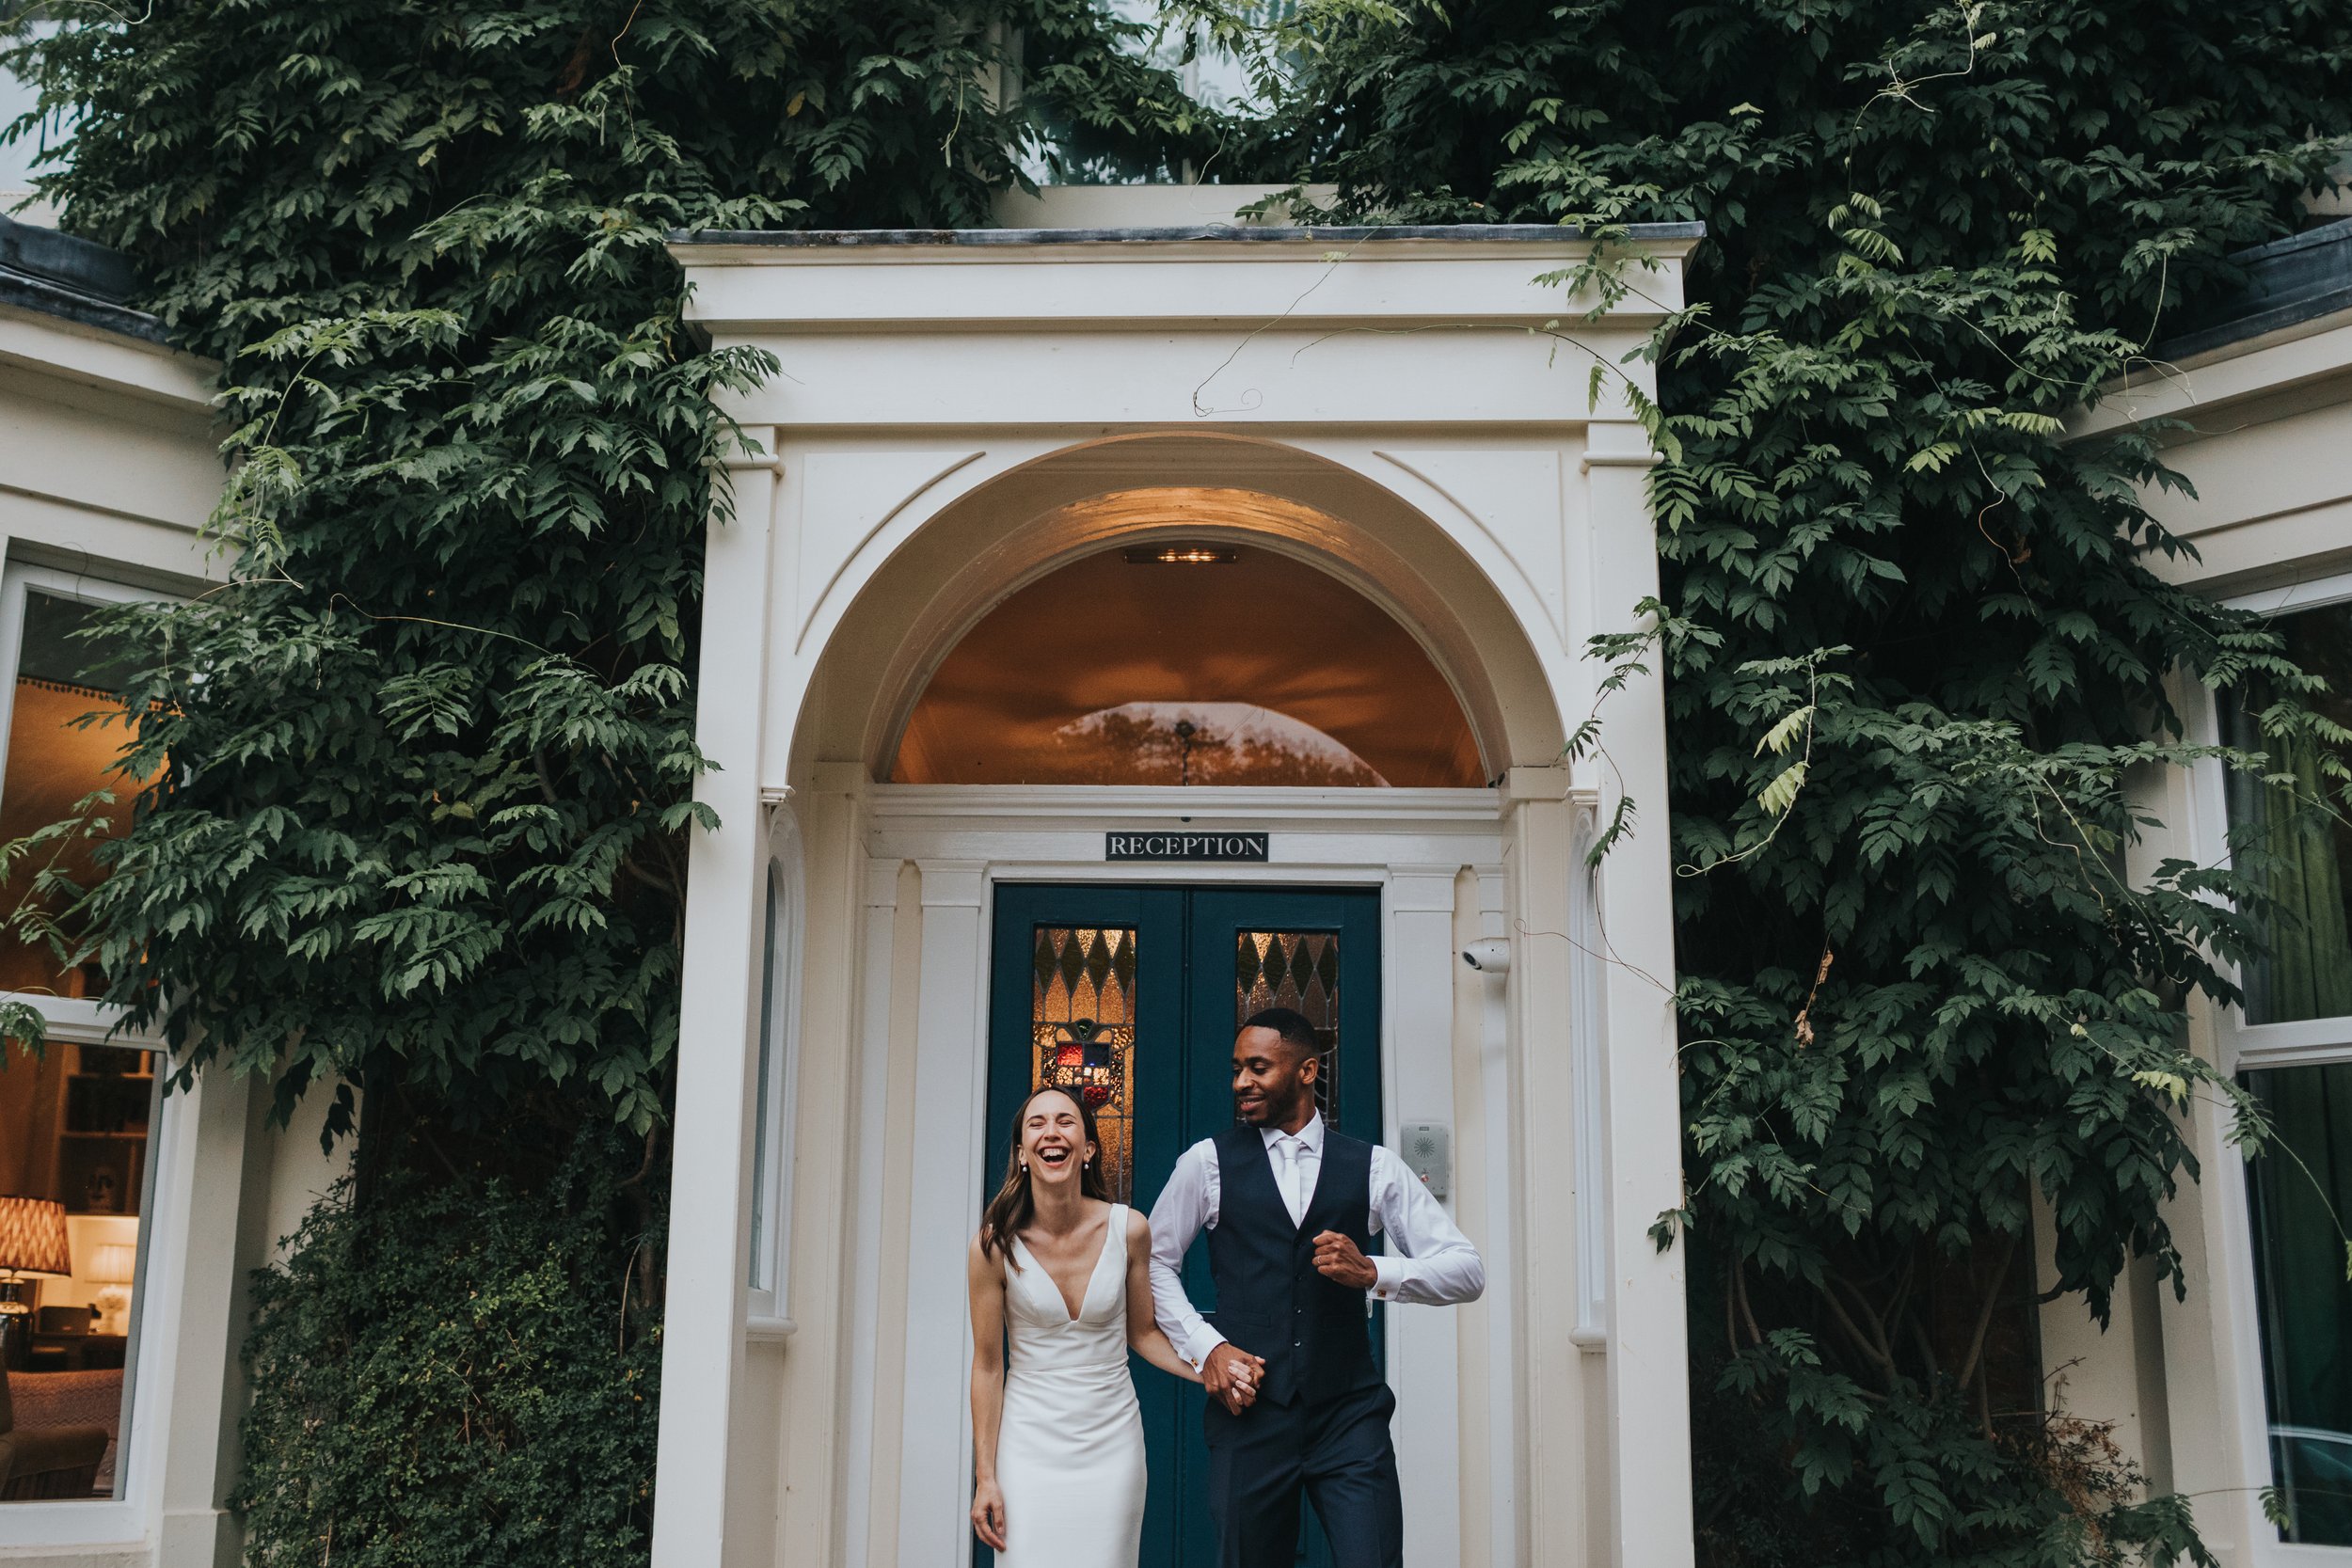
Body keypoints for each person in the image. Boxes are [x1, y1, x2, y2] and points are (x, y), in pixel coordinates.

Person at [1148, 1007, 1485, 1568]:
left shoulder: (1374, 1166)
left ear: (1307, 1072)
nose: (1241, 1083)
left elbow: (1466, 1269)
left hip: (1348, 1417)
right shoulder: (1205, 1164)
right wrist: (1207, 1348)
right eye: (1237, 1069)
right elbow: (1154, 1265)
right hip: (1248, 1416)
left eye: (1258, 1067)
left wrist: (1376, 1273)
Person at [968, 1085, 1230, 1566]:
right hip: (1028, 1442)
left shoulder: (1129, 1229)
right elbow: (987, 1365)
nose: (1052, 1132)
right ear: (1022, 1152)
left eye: (1066, 1121)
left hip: (1111, 1441)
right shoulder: (993, 1244)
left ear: (1088, 1147)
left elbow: (1144, 1333)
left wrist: (1208, 1369)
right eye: (1037, 1123)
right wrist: (986, 1476)